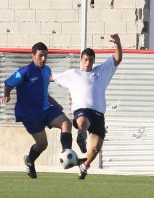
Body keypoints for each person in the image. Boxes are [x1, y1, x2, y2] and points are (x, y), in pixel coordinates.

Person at [52, 34, 122, 179]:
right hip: (82, 110)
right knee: (82, 122)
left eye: (90, 60)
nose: (87, 63)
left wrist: (118, 43)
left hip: (98, 115)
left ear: (94, 61)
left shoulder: (101, 71)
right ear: (81, 60)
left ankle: (84, 166)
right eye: (85, 60)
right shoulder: (73, 74)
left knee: (96, 148)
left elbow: (117, 59)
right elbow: (52, 76)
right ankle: (80, 137)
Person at [0, 42, 74, 179]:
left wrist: (55, 103)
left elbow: (42, 91)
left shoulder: (46, 71)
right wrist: (7, 94)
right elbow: (8, 83)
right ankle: (29, 160)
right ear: (33, 55)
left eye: (46, 56)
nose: (43, 59)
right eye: (40, 56)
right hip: (30, 115)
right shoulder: (25, 71)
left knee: (67, 123)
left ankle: (67, 152)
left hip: (46, 109)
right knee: (42, 144)